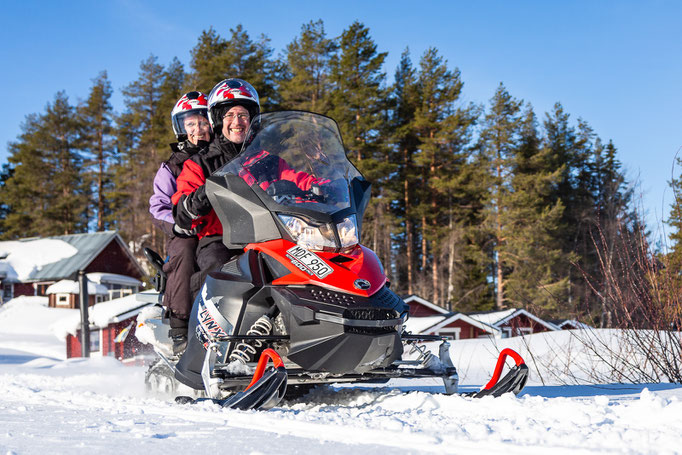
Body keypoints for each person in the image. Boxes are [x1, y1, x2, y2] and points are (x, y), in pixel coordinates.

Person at [149, 91, 210, 354]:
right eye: (191, 124)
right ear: (181, 129)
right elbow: (158, 206)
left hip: (227, 227)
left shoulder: (225, 155)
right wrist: (175, 223)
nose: (198, 130)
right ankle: (179, 324)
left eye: (203, 122)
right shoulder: (171, 167)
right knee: (184, 251)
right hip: (186, 228)